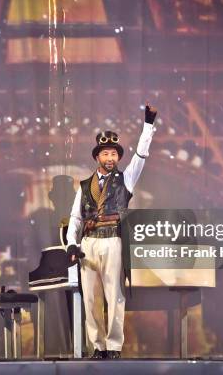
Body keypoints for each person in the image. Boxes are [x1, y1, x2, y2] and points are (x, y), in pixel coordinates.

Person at [65, 102, 157, 359]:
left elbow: (140, 157)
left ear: (118, 158)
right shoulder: (84, 187)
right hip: (89, 244)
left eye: (114, 154)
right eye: (106, 154)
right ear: (97, 157)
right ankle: (98, 346)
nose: (110, 158)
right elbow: (75, 218)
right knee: (91, 300)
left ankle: (114, 345)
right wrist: (72, 243)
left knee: (114, 296)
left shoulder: (126, 179)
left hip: (113, 241)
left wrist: (147, 126)